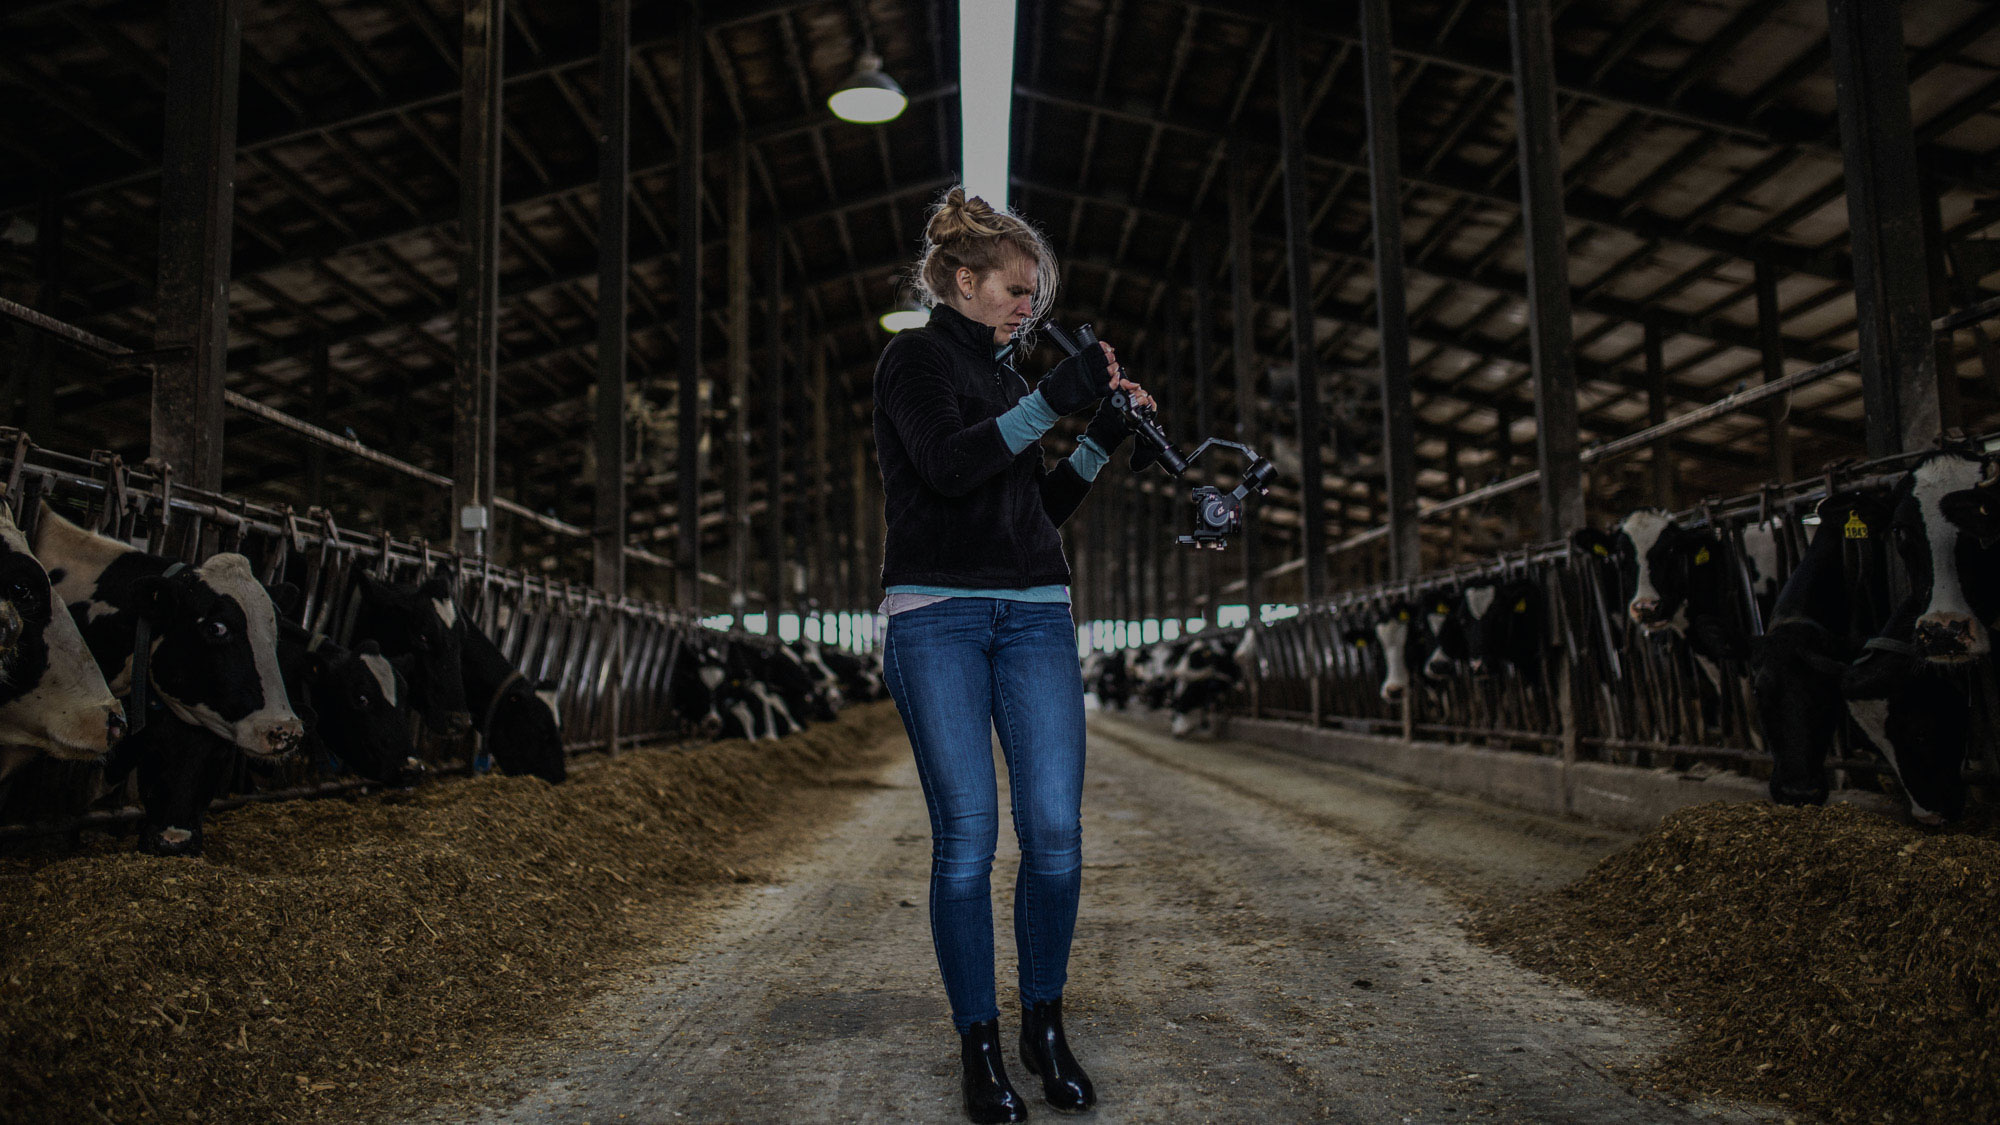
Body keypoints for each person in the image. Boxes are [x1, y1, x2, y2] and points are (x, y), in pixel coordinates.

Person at [872, 187, 1150, 1123]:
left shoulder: (1005, 376)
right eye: (1016, 289)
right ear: (964, 280)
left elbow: (1036, 511)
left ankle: (1045, 1023)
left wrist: (1101, 437)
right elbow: (949, 468)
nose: (1029, 305)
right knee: (967, 842)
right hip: (938, 615)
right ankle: (979, 1047)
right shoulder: (912, 361)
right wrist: (1049, 404)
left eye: (1034, 292)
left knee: (1056, 833)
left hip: (1035, 613)